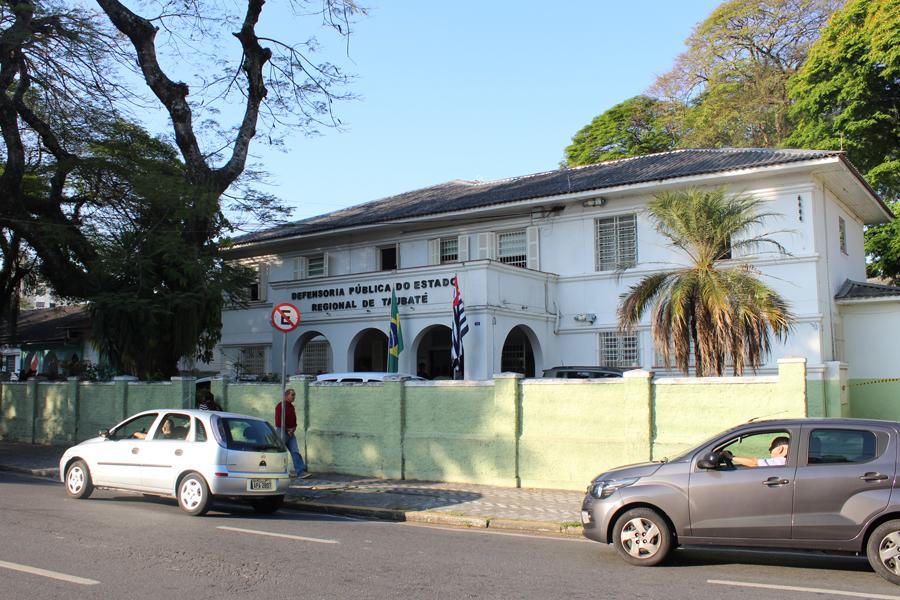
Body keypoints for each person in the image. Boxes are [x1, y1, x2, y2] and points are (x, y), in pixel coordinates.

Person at [275, 389, 311, 479]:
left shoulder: (291, 406)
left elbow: (293, 420)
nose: (294, 397)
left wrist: (294, 428)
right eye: (292, 395)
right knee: (280, 452)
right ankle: (278, 471)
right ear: (286, 396)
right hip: (282, 432)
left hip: (290, 433)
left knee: (295, 451)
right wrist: (288, 430)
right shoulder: (280, 406)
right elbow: (279, 422)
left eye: (294, 395)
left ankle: (300, 472)